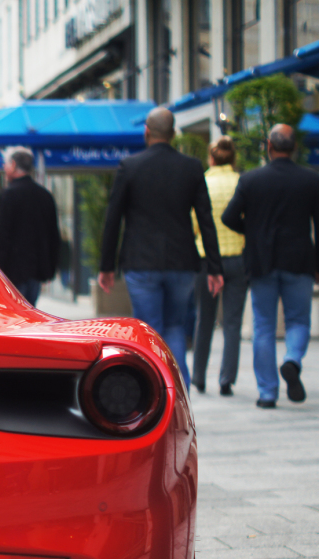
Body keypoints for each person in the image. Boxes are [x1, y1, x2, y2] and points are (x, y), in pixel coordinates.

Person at [98, 107, 223, 386]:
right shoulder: (191, 167)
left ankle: (155, 395)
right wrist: (215, 267)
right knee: (176, 328)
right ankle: (181, 393)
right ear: (174, 134)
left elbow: (113, 218)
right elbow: (206, 219)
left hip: (141, 263)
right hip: (181, 263)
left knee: (148, 332)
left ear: (146, 132)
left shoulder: (129, 166)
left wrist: (106, 266)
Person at [221, 124, 319, 408]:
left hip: (261, 261)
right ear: (294, 148)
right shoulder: (310, 179)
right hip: (300, 260)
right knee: (298, 320)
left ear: (269, 145)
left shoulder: (251, 179)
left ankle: (267, 393)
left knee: (264, 326)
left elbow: (228, 217)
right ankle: (292, 359)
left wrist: (253, 230)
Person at [191, 137, 249, 396]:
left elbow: (194, 224)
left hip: (207, 260)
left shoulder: (202, 182)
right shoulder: (241, 182)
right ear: (233, 158)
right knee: (233, 322)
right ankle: (226, 379)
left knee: (205, 318)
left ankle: (199, 376)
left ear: (211, 158)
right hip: (238, 257)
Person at [0, 147, 61, 307]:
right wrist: (50, 268)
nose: (4, 168)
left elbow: (0, 238)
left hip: (11, 273)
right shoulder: (45, 195)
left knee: (15, 316)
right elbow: (54, 236)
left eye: (5, 164)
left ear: (13, 165)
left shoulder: (7, 196)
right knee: (31, 313)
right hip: (37, 271)